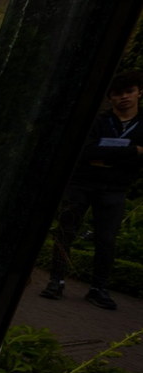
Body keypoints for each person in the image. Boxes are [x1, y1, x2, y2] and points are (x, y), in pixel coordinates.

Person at [40, 70, 143, 309]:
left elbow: (99, 152)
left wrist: (105, 152)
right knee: (66, 232)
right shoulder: (97, 121)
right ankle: (56, 280)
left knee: (106, 239)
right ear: (110, 98)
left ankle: (98, 288)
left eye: (129, 92)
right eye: (117, 94)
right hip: (81, 184)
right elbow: (84, 151)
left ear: (139, 92)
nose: (124, 98)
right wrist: (132, 150)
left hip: (115, 188)